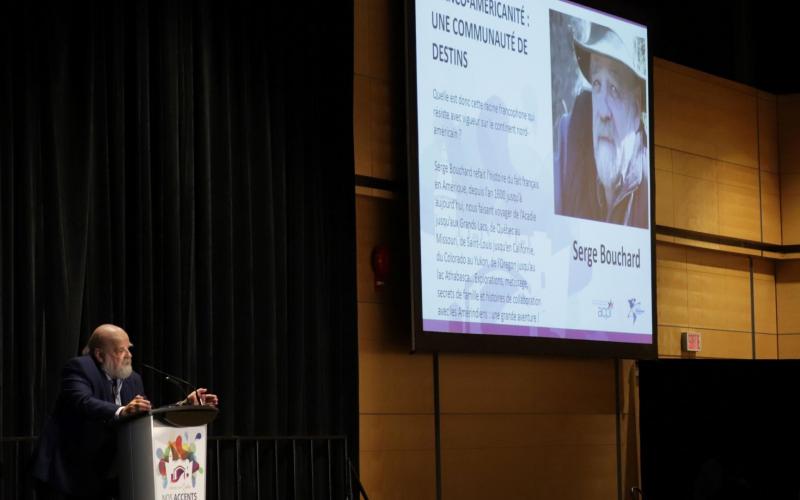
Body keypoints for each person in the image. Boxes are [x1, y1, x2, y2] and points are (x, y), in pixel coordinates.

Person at [31, 324, 218, 500]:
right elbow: (83, 402)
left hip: (102, 474)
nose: (129, 355)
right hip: (65, 474)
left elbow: (145, 414)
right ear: (100, 354)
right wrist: (121, 411)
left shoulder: (133, 379)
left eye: (129, 349)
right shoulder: (80, 368)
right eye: (121, 350)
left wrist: (184, 405)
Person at [554, 22, 649, 228]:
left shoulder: (647, 188)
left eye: (614, 89)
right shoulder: (570, 142)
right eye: (596, 83)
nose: (603, 113)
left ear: (635, 110)